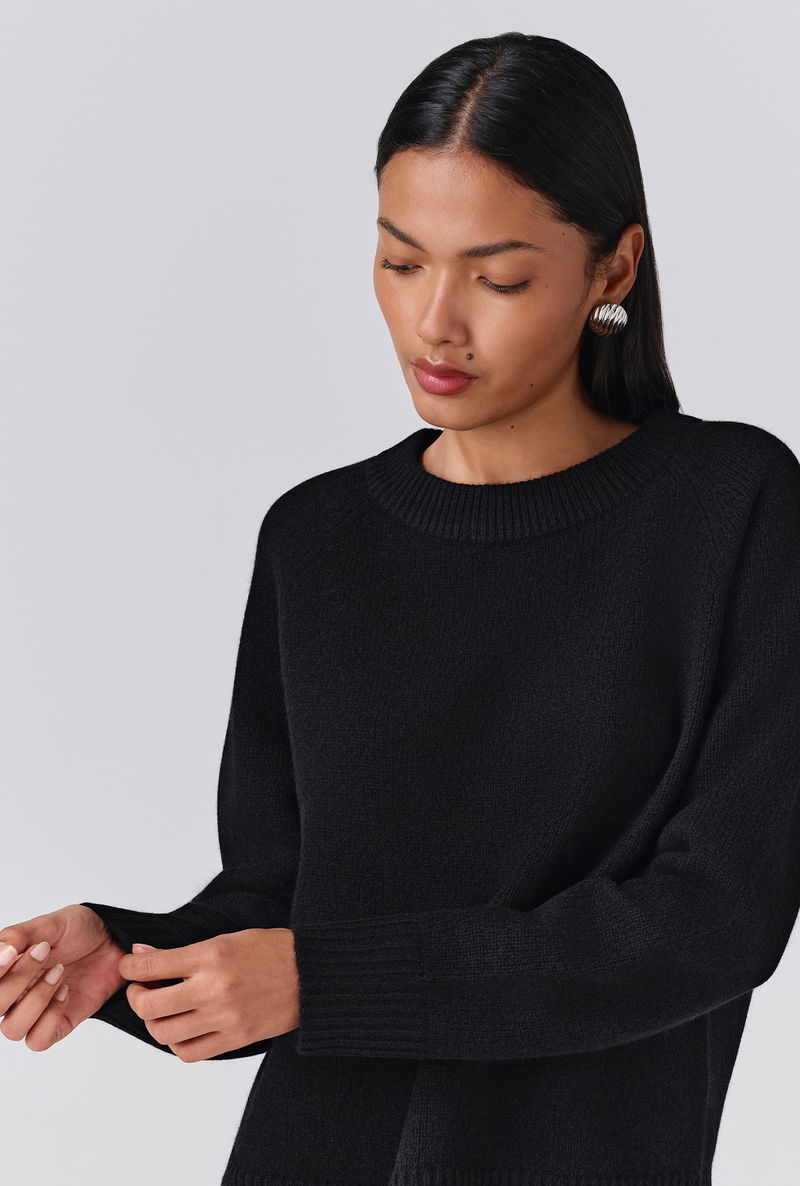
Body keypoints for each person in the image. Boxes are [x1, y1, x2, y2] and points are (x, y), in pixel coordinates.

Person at [3, 29, 800, 1186]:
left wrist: (327, 983)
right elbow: (282, 900)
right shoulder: (317, 540)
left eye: (497, 276)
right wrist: (127, 956)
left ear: (612, 270)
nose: (435, 322)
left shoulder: (729, 511)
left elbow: (708, 922)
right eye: (399, 261)